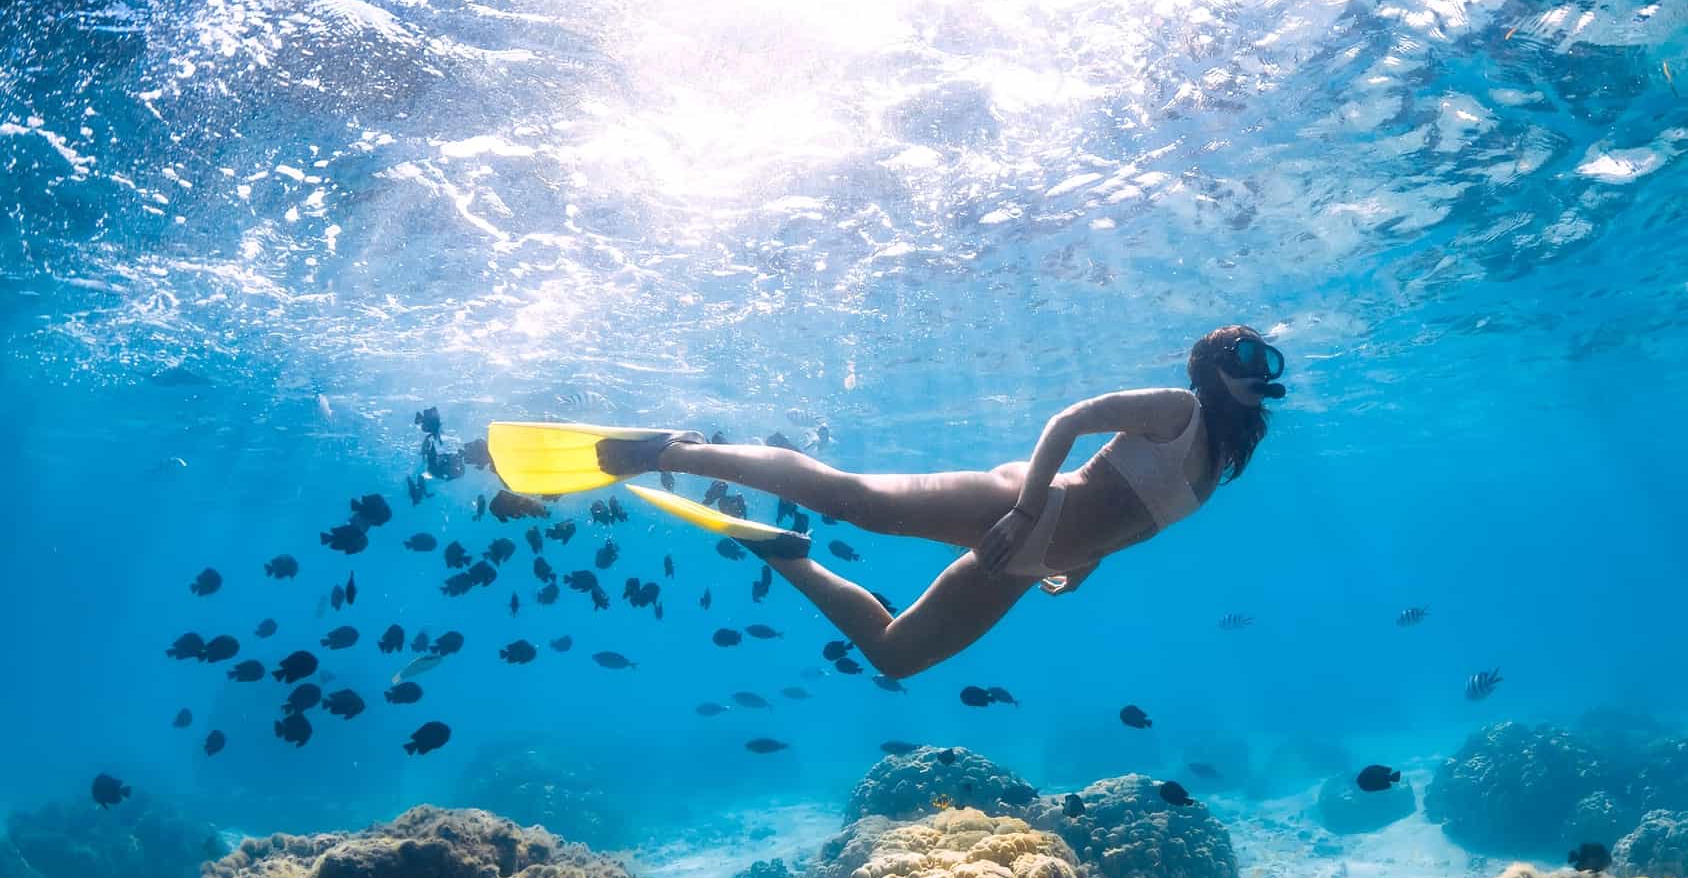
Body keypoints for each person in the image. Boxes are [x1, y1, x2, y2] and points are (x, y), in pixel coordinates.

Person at [488, 325, 1283, 677]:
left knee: (896, 655)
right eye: (1246, 353)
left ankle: (780, 551)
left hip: (1034, 556)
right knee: (856, 498)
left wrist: (1088, 563)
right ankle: (672, 449)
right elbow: (1069, 423)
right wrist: (1025, 508)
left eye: (1264, 356)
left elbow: (1132, 511)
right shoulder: (1177, 410)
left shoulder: (1218, 463)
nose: (1260, 365)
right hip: (1022, 508)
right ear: (1211, 368)